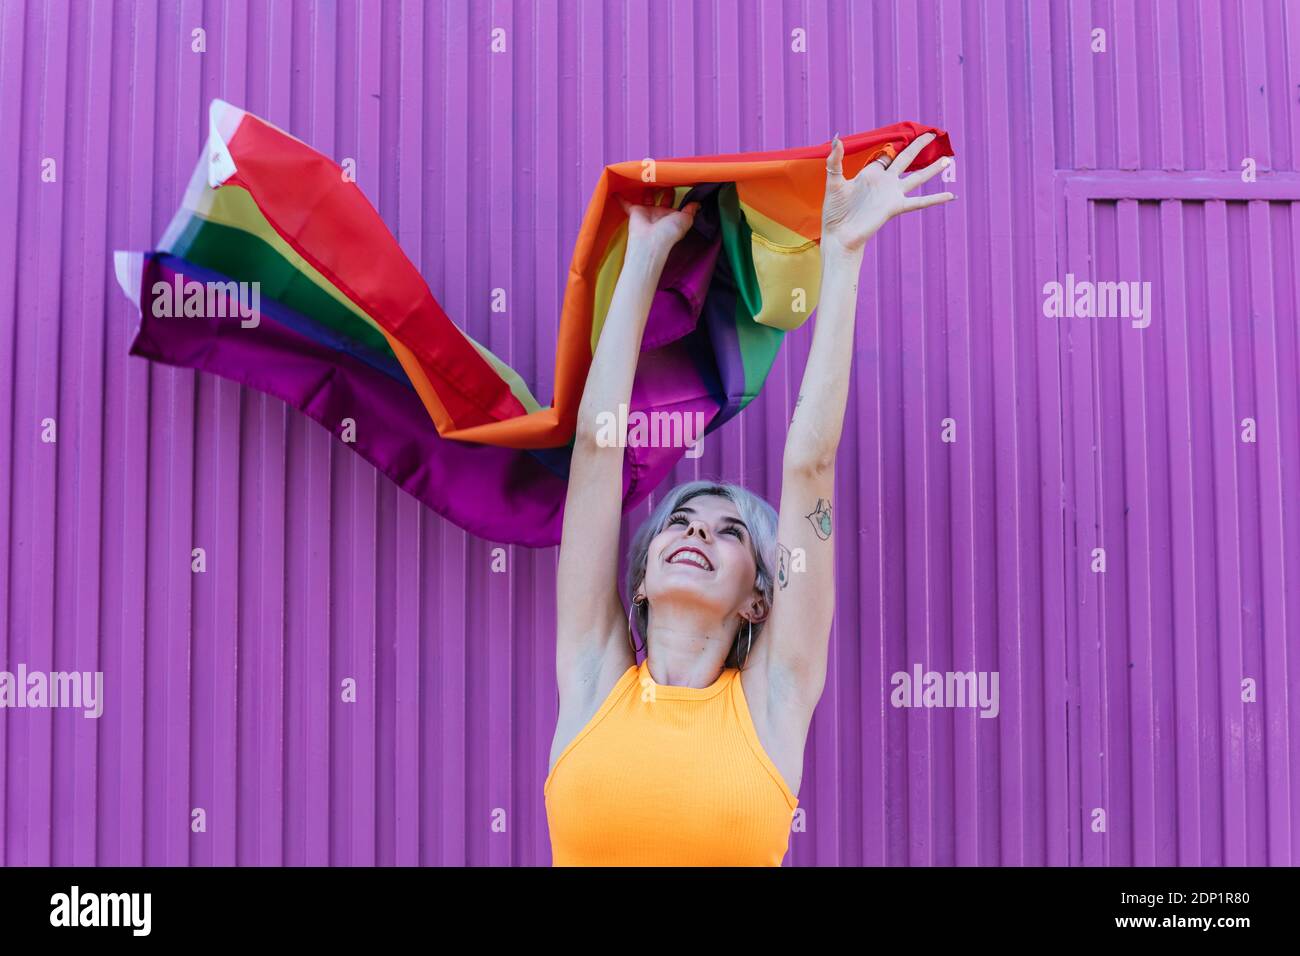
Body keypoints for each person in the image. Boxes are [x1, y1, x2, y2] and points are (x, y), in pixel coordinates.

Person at [545, 132, 955, 866]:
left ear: (759, 601)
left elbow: (809, 467)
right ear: (639, 579)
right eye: (680, 520)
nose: (695, 532)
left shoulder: (775, 697)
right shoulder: (591, 674)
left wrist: (844, 257)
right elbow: (597, 448)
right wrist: (644, 256)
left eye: (730, 532)